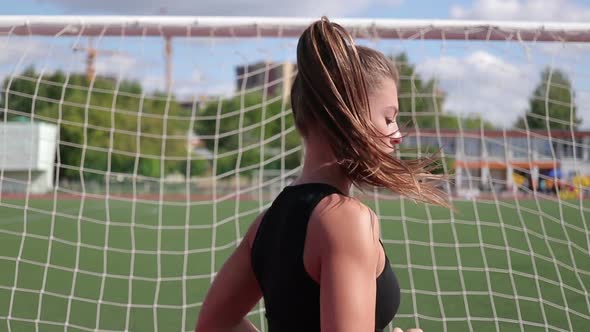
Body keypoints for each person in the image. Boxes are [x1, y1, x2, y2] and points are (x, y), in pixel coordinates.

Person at [195, 16, 448, 332]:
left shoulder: (266, 223)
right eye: (388, 118)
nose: (397, 134)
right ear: (345, 114)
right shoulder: (345, 220)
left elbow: (214, 325)